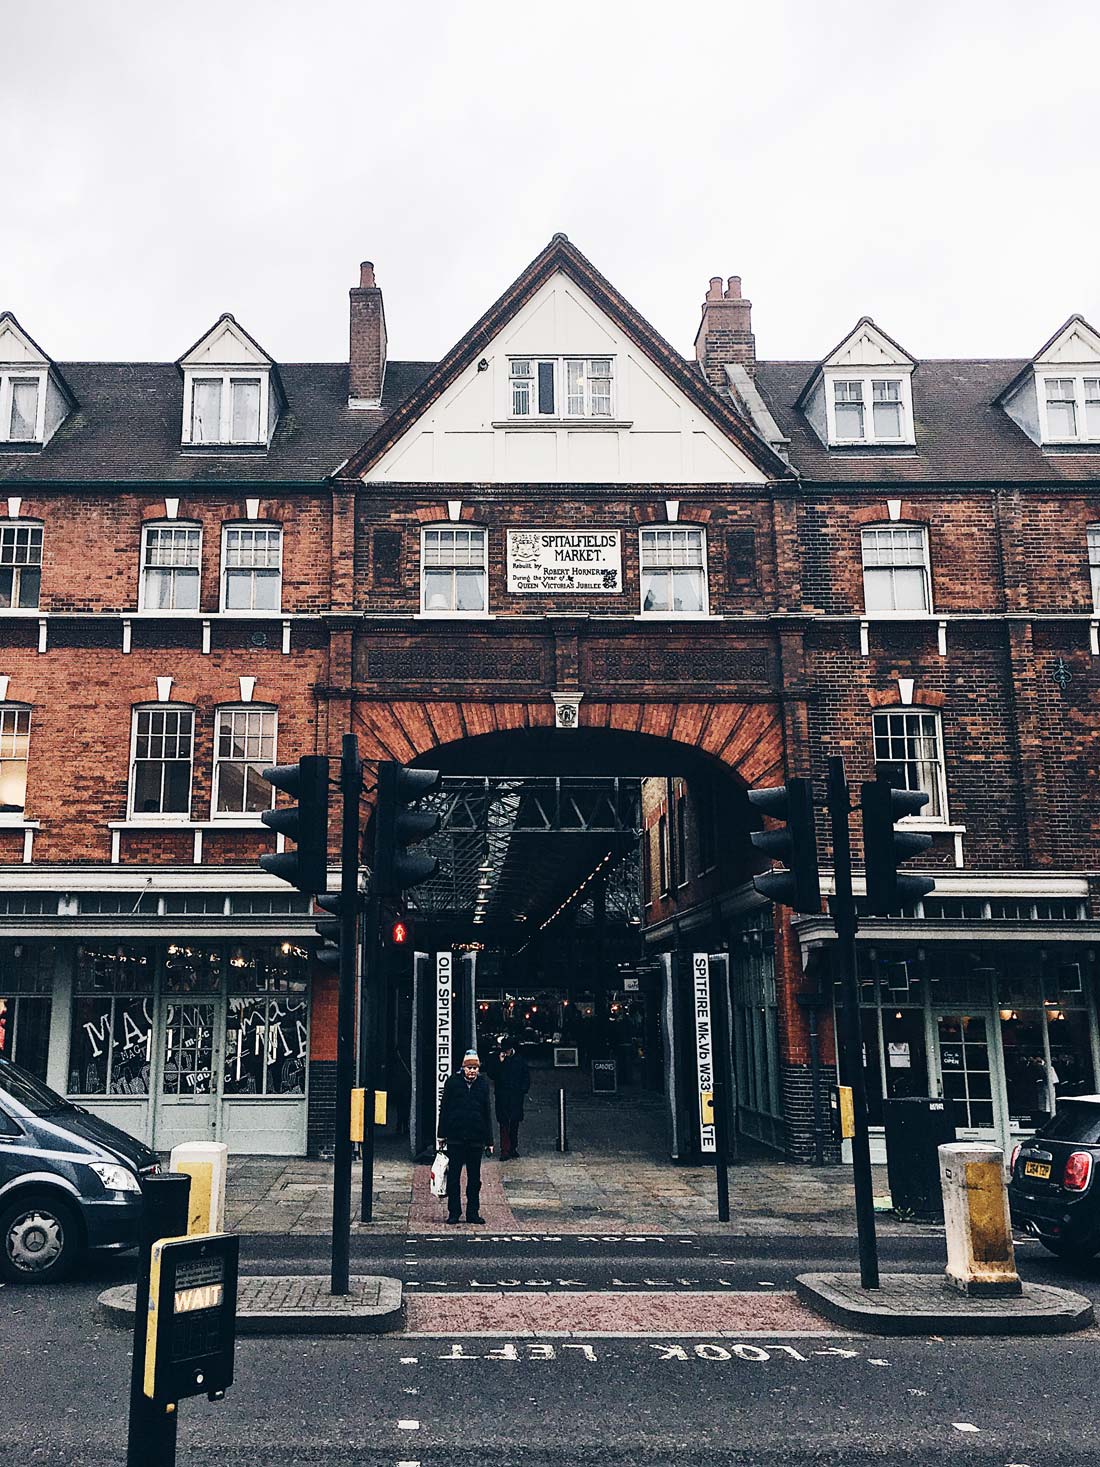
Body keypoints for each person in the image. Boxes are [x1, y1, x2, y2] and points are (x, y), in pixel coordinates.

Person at [437, 1048, 492, 1224]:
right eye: (469, 1068)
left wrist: (489, 1140)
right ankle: (454, 1212)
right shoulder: (452, 1082)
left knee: (474, 1179)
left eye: (475, 1068)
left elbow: (487, 1112)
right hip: (456, 1137)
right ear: (463, 1068)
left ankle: (473, 1213)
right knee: (453, 1177)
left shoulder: (483, 1084)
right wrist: (441, 1134)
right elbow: (444, 1109)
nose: (472, 1071)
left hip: (476, 1138)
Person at [494, 1035, 531, 1160]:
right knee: (503, 1122)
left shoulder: (519, 1060)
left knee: (514, 1122)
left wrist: (523, 1089)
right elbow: (492, 1074)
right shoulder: (498, 1058)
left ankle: (513, 1147)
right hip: (502, 1095)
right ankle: (505, 1149)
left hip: (515, 1095)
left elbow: (526, 1076)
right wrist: (500, 1063)